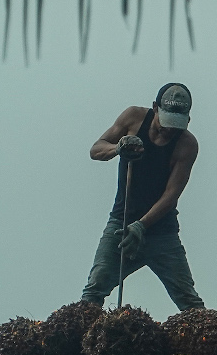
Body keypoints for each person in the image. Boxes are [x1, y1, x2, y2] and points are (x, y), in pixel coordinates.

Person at [80, 83, 205, 310]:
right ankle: (78, 342)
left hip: (162, 234)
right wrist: (118, 148)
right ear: (155, 108)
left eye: (176, 126)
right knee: (94, 290)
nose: (169, 130)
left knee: (189, 302)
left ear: (188, 119)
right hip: (121, 224)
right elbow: (96, 150)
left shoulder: (187, 145)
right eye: (166, 123)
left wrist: (141, 226)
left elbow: (171, 195)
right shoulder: (133, 118)